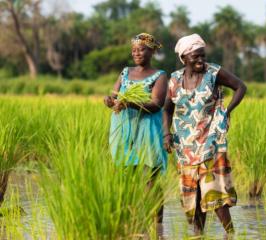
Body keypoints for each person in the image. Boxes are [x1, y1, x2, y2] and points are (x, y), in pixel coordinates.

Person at [163, 34, 247, 236]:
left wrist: (227, 111)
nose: (200, 60)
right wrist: (166, 134)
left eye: (202, 55)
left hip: (211, 142)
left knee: (214, 190)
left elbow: (240, 87)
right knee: (193, 194)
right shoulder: (174, 80)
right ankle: (198, 234)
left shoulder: (214, 73)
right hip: (185, 146)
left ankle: (230, 233)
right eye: (195, 57)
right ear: (184, 58)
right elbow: (167, 109)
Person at [103, 33, 168, 224]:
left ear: (152, 51)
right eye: (134, 50)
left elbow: (156, 104)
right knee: (125, 178)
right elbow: (114, 96)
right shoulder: (125, 72)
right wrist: (109, 101)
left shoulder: (160, 75)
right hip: (124, 130)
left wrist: (129, 103)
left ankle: (158, 227)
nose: (137, 53)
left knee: (151, 180)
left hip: (147, 130)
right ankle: (129, 223)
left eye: (141, 49)